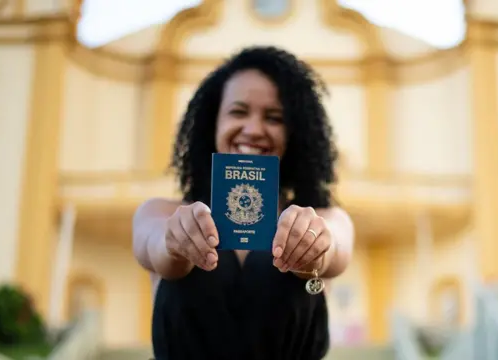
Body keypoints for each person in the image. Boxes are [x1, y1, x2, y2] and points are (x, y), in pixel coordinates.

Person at [132, 45, 355, 360]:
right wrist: (174, 243)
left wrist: (315, 247)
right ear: (213, 124)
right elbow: (154, 244)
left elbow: (335, 248)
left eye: (274, 117)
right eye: (238, 111)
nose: (253, 129)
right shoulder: (160, 213)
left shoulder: (326, 218)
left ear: (295, 134)